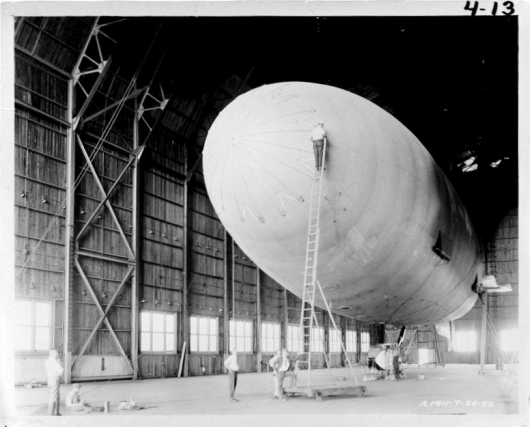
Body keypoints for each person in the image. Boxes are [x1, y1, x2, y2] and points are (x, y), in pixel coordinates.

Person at [45, 348, 64, 416]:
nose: (56, 354)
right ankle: (51, 413)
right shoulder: (53, 361)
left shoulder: (48, 361)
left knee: (55, 395)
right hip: (54, 378)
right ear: (51, 353)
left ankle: (56, 412)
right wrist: (60, 362)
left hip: (50, 378)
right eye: (55, 353)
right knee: (54, 396)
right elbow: (61, 370)